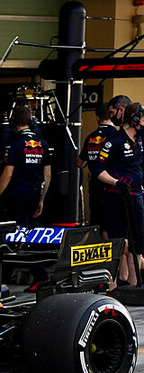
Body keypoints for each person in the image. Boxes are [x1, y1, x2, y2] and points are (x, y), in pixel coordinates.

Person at [92, 102, 144, 287]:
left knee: (138, 244)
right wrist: (116, 183)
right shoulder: (113, 142)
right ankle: (112, 288)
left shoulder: (140, 140)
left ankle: (135, 286)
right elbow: (98, 170)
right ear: (134, 119)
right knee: (116, 242)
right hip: (116, 197)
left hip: (137, 197)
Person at [0, 105, 52, 227]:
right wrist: (41, 200)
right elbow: (47, 175)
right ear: (32, 122)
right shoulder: (43, 144)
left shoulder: (14, 144)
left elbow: (8, 173)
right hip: (34, 195)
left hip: (16, 196)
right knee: (32, 231)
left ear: (13, 123)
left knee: (15, 232)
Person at [78, 102, 117, 232]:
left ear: (97, 117)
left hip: (95, 187)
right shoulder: (117, 136)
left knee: (96, 225)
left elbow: (80, 163)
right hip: (112, 187)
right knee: (112, 226)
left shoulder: (90, 137)